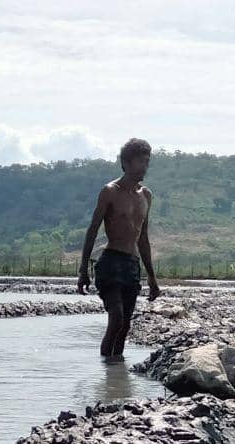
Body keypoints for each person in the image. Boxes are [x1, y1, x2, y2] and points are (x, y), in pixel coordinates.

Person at [77, 138, 160, 362]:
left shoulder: (146, 196)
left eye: (147, 162)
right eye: (141, 161)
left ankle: (117, 375)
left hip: (132, 265)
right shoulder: (110, 192)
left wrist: (152, 277)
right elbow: (92, 230)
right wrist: (83, 270)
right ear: (126, 163)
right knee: (116, 318)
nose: (145, 166)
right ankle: (107, 373)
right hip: (110, 262)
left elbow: (143, 239)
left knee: (126, 325)